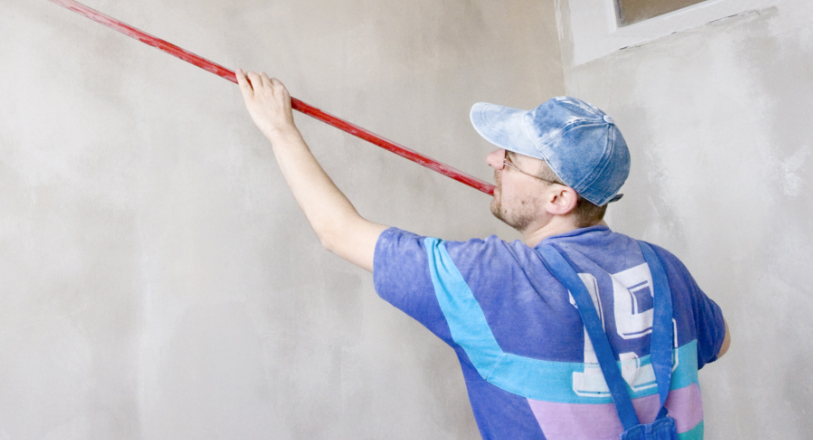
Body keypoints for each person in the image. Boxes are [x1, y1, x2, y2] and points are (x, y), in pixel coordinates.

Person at [236, 70, 729, 440]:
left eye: (511, 159)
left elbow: (338, 232)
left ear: (559, 200)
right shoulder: (665, 270)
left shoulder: (495, 280)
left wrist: (280, 130)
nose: (494, 160)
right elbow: (719, 342)